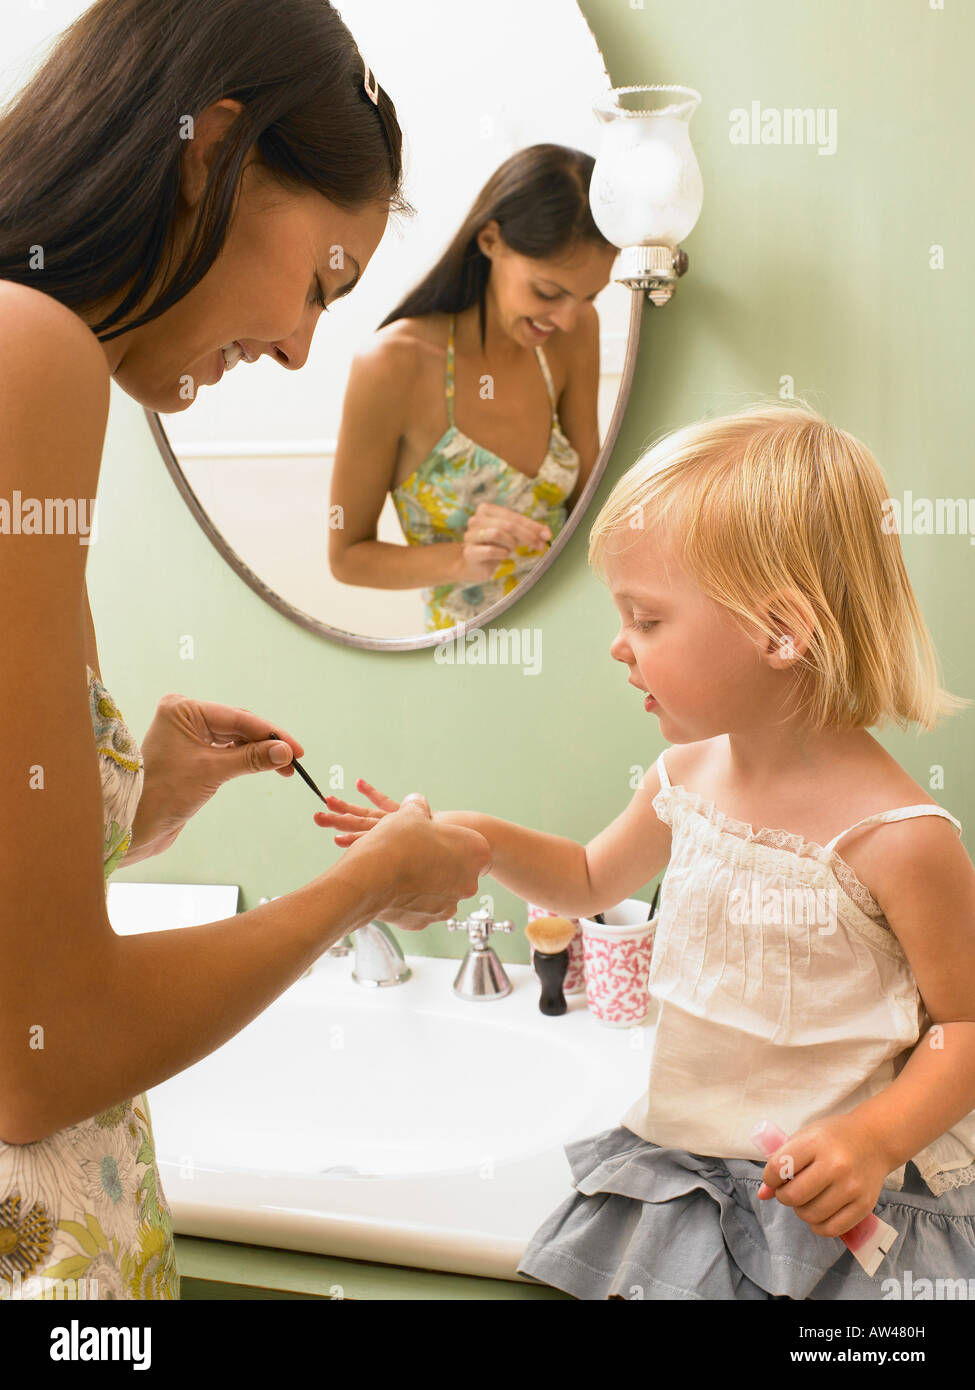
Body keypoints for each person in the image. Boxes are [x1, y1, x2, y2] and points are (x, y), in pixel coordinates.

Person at [0, 0, 490, 1302]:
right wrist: (362, 887)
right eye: (322, 280)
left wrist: (129, 799)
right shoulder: (26, 349)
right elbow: (42, 1056)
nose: (296, 347)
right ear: (210, 151)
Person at [317, 402, 975, 1300]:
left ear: (780, 632)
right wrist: (475, 838)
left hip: (842, 1218)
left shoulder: (899, 840)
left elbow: (964, 1027)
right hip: (688, 1188)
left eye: (647, 619)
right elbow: (588, 878)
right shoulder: (684, 777)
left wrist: (873, 1139)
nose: (618, 646)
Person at [329, 145, 619, 630]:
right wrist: (460, 559)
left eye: (589, 296)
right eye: (548, 292)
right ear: (490, 240)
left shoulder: (573, 334)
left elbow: (588, 509)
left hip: (576, 634)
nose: (569, 318)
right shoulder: (392, 366)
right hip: (467, 658)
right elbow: (347, 557)